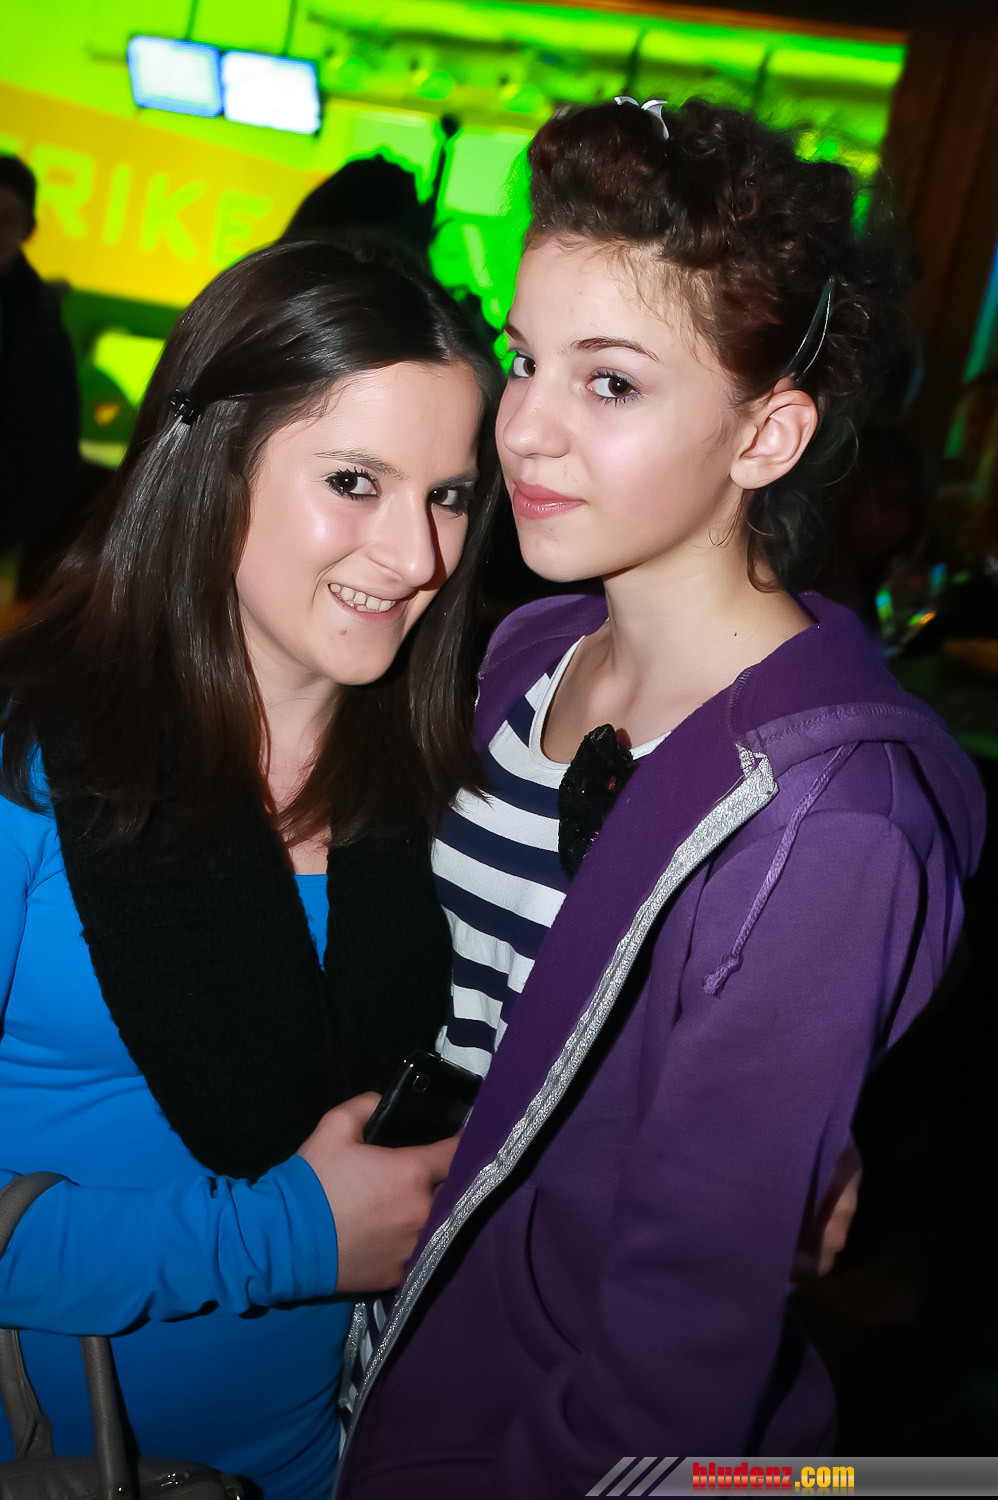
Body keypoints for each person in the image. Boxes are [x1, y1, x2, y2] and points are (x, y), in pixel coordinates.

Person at [336, 98, 985, 1496]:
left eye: (611, 384)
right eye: (525, 359)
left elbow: (678, 1349)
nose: (525, 430)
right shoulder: (525, 654)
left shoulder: (824, 818)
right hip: (356, 1376)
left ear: (766, 437)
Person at [0, 235, 500, 1498]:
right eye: (354, 480)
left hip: (323, 1461)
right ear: (212, 462)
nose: (416, 557)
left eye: (448, 496)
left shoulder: (437, 785)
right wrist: (284, 1238)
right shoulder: (23, 766)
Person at [0, 156, 82, 587]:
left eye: (8, 220)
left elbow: (58, 434)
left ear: (28, 229)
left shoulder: (44, 324)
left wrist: (27, 521)